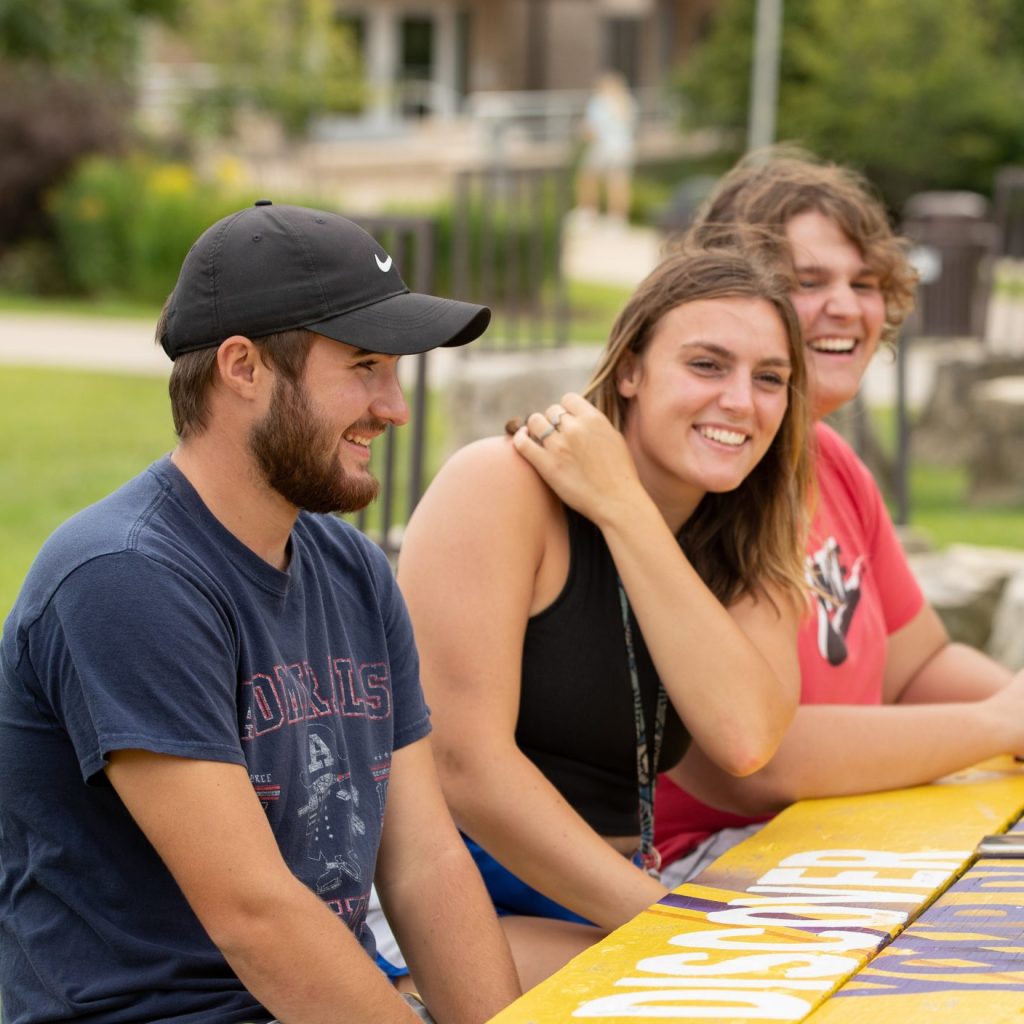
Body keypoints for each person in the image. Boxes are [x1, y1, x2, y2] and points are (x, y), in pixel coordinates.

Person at [0, 201, 521, 1024]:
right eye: (363, 367)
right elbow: (256, 917)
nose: (395, 407)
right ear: (242, 368)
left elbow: (426, 863)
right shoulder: (123, 578)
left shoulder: (349, 567)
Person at [372, 245, 815, 989]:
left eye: (770, 378)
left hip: (607, 901)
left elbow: (744, 737)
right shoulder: (502, 486)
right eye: (707, 365)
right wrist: (669, 923)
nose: (742, 400)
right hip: (449, 903)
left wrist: (624, 509)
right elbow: (462, 766)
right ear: (631, 369)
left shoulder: (745, 536)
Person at [655, 149, 1024, 887]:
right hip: (709, 860)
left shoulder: (830, 461)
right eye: (810, 281)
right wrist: (998, 725)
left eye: (865, 283)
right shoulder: (706, 476)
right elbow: (752, 762)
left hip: (832, 831)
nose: (848, 308)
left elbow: (917, 663)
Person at [574, 70, 638, 224]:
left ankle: (588, 212)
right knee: (618, 183)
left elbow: (591, 129)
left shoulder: (599, 102)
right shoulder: (627, 102)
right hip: (623, 148)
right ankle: (617, 218)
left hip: (603, 147)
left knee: (587, 177)